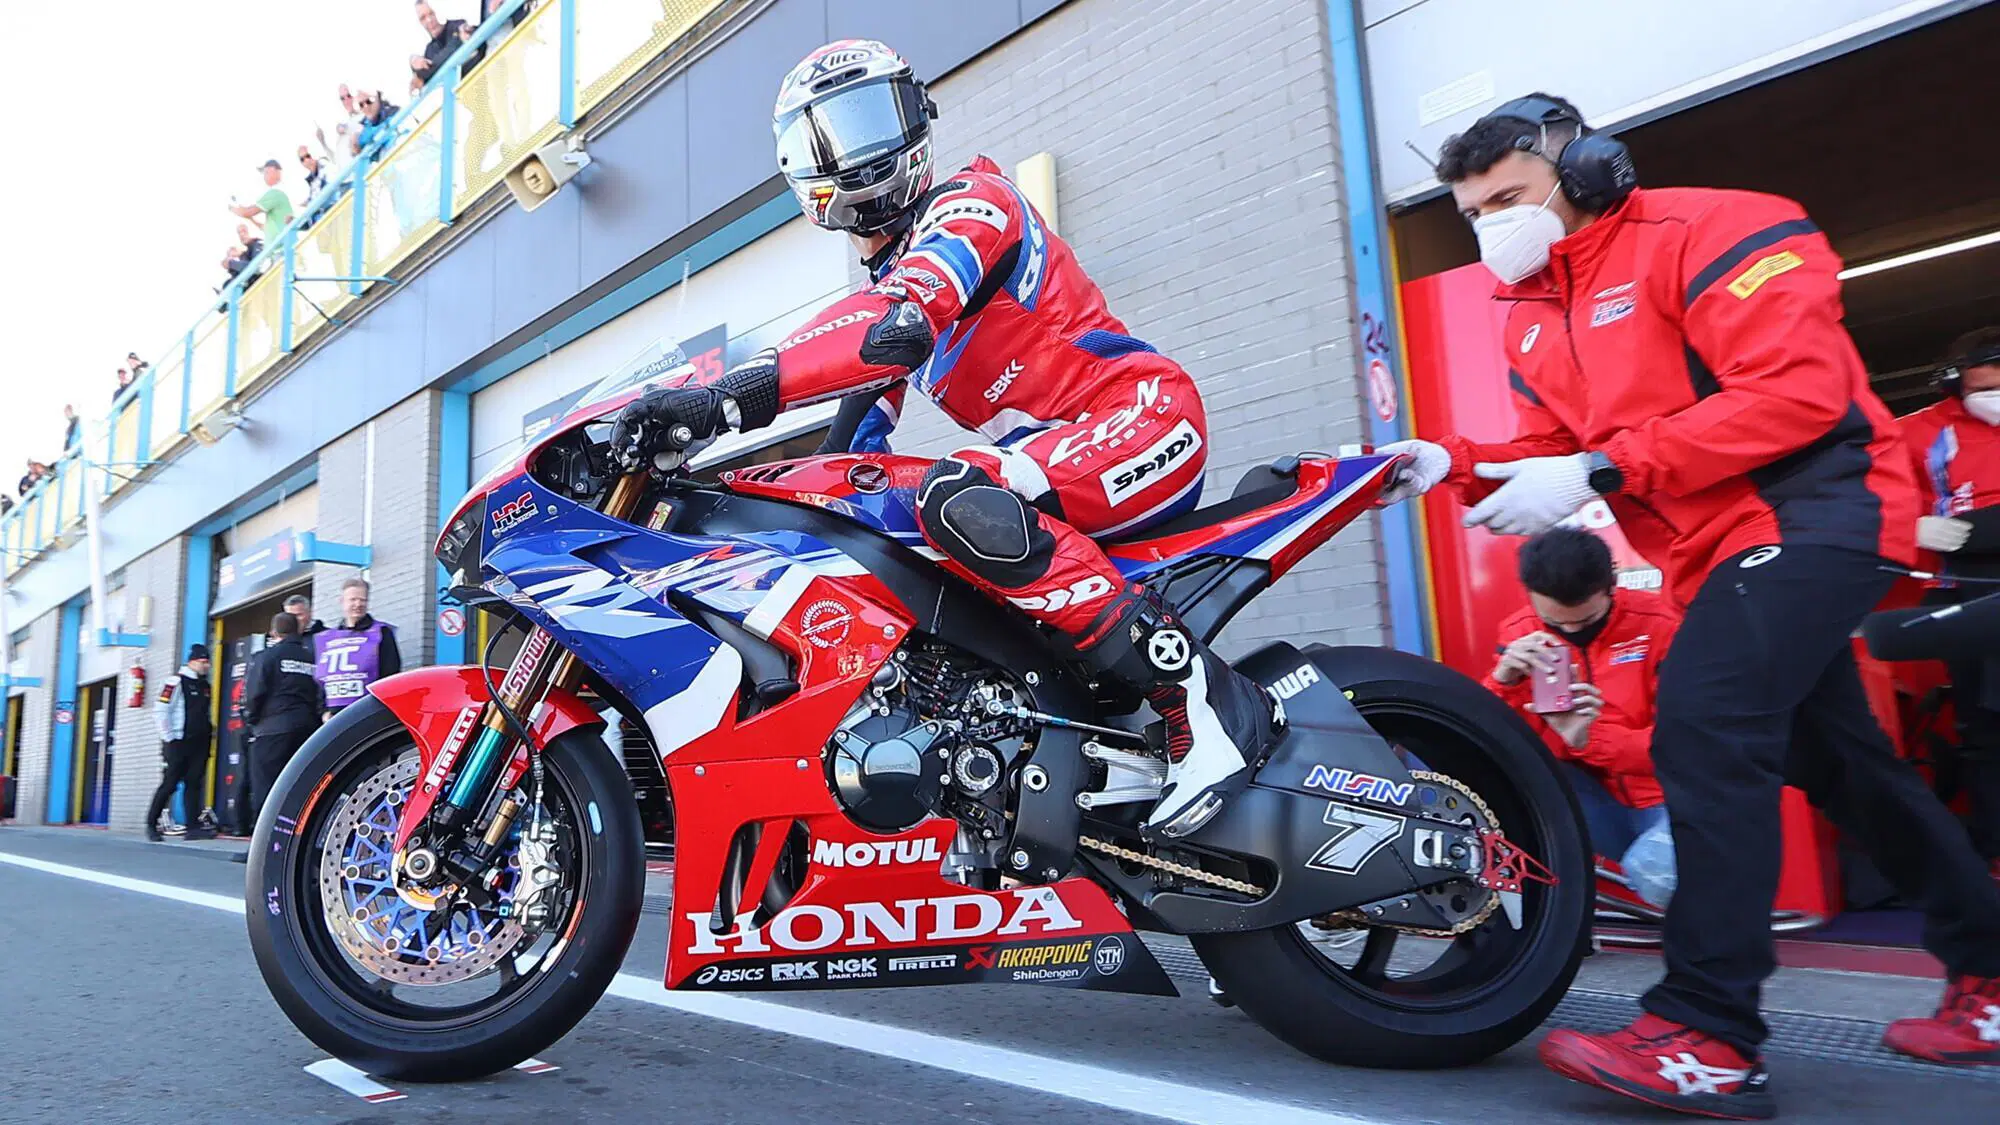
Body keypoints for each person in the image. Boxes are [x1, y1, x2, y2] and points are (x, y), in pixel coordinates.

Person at [1379, 93, 2000, 1115]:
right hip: (1711, 551)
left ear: (1588, 170)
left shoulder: (1720, 226)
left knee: (1703, 725)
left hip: (1814, 509)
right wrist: (1446, 462)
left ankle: (1710, 1033)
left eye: (1509, 197)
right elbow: (1546, 458)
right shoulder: (1533, 317)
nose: (1494, 226)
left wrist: (1602, 471)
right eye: (1472, 212)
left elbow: (1792, 395)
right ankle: (1988, 976)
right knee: (1842, 764)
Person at [609, 40, 1280, 840]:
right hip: (1056, 463)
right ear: (803, 170)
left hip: (1140, 420)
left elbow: (895, 327)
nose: (863, 155)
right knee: (876, 520)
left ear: (917, 119)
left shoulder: (974, 203)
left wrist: (719, 397)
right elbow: (849, 439)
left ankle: (1201, 701)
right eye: (834, 137)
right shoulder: (881, 289)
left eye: (873, 120)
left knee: (952, 494)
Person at [1485, 528, 1679, 907]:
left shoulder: (1660, 624)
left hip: (1665, 794)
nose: (1572, 631)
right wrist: (1501, 682)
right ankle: (1555, 919)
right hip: (1582, 799)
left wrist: (1590, 738)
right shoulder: (1519, 634)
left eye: (1587, 619)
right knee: (1499, 793)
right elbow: (1489, 740)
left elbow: (1686, 744)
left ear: (1611, 587)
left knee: (1661, 876)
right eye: (1555, 623)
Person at [1899, 326, 2000, 869]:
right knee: (1982, 727)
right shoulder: (1920, 432)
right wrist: (1909, 523)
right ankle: (1991, 850)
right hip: (1965, 587)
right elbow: (1868, 492)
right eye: (1986, 382)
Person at [243, 613, 322, 820]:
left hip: (272, 731)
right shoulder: (312, 658)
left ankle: (263, 848)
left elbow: (254, 694)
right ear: (298, 630)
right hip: (307, 731)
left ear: (274, 632)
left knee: (266, 792)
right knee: (299, 791)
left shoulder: (266, 657)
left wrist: (252, 720)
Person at [145, 645, 216, 842]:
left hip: (199, 743)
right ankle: (152, 824)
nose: (206, 666)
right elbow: (161, 710)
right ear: (192, 661)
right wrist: (169, 738)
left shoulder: (205, 686)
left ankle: (192, 827)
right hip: (178, 742)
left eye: (207, 662)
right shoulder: (175, 683)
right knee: (170, 784)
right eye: (203, 662)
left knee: (194, 784)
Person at [314, 577, 402, 719]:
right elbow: (321, 679)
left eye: (363, 600)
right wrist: (323, 711)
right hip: (333, 718)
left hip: (367, 713)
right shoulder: (326, 638)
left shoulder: (381, 632)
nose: (358, 604)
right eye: (353, 599)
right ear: (342, 601)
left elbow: (390, 673)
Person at [410, 1, 472, 94]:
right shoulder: (429, 50)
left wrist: (423, 72)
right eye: (423, 18)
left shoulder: (457, 26)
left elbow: (452, 49)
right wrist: (414, 64)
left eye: (431, 14)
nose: (429, 20)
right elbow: (424, 76)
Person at [230, 160, 296, 246]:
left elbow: (246, 212)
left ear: (273, 170)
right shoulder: (278, 193)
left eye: (266, 172)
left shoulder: (275, 193)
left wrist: (231, 208)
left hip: (283, 248)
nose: (264, 176)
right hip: (280, 248)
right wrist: (251, 219)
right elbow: (265, 228)